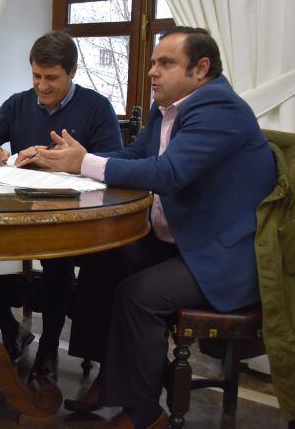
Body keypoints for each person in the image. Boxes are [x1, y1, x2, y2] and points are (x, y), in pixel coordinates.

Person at [37, 27, 277, 429]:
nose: (152, 72)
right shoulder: (166, 108)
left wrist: (84, 164)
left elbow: (169, 173)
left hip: (219, 254)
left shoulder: (220, 109)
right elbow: (131, 156)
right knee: (102, 259)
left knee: (139, 295)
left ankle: (146, 414)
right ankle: (112, 382)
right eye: (152, 62)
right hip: (178, 242)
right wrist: (70, 158)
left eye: (165, 63)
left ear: (201, 68)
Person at [0, 31, 122, 380]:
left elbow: (115, 162)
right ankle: (8, 325)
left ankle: (48, 347)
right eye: (36, 76)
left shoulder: (96, 107)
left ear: (72, 71)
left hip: (69, 218)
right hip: (16, 211)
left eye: (51, 78)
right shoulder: (18, 103)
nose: (42, 87)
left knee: (56, 256)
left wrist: (74, 160)